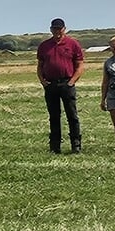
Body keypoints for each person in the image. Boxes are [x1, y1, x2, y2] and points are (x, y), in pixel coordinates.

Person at [36, 17, 84, 153]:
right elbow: (40, 66)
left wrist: (72, 82)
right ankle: (55, 146)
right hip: (50, 84)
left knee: (72, 115)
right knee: (54, 116)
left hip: (66, 83)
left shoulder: (73, 44)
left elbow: (80, 66)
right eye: (54, 28)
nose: (57, 31)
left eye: (59, 28)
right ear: (51, 29)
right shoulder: (44, 46)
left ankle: (76, 145)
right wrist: (42, 81)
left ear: (64, 29)